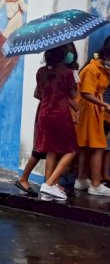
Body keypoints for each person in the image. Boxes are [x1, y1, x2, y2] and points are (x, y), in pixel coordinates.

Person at [34, 45, 79, 200]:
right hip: (60, 115)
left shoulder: (40, 72)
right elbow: (72, 95)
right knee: (71, 149)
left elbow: (38, 93)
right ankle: (50, 184)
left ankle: (49, 187)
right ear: (62, 56)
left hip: (44, 114)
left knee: (51, 150)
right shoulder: (67, 73)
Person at [74, 36, 110, 196]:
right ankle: (95, 184)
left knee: (86, 147)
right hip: (89, 109)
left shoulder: (101, 69)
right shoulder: (92, 69)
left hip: (94, 108)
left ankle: (81, 179)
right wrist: (105, 105)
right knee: (98, 146)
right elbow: (87, 93)